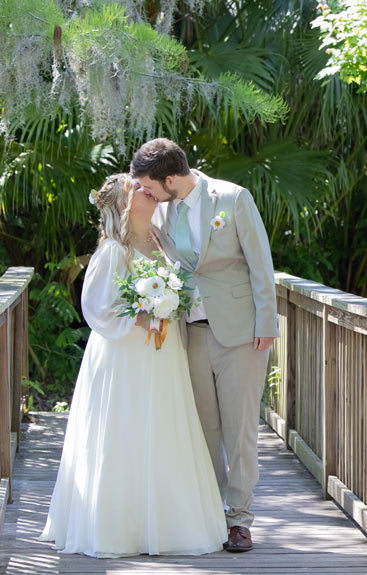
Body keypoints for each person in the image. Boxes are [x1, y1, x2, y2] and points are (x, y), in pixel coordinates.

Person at [40, 173, 228, 557]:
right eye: (138, 188)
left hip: (164, 353)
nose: (148, 190)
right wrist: (141, 317)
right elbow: (95, 308)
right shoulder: (113, 250)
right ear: (126, 203)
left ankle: (167, 524)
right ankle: (121, 528)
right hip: (124, 355)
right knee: (125, 427)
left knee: (164, 426)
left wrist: (167, 306)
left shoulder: (159, 240)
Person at [130, 139, 278, 552]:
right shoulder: (160, 210)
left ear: (171, 178)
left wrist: (266, 322)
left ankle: (240, 519)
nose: (146, 193)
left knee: (240, 428)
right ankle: (212, 511)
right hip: (189, 332)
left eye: (149, 186)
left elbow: (260, 263)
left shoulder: (232, 199)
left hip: (241, 332)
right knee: (203, 428)